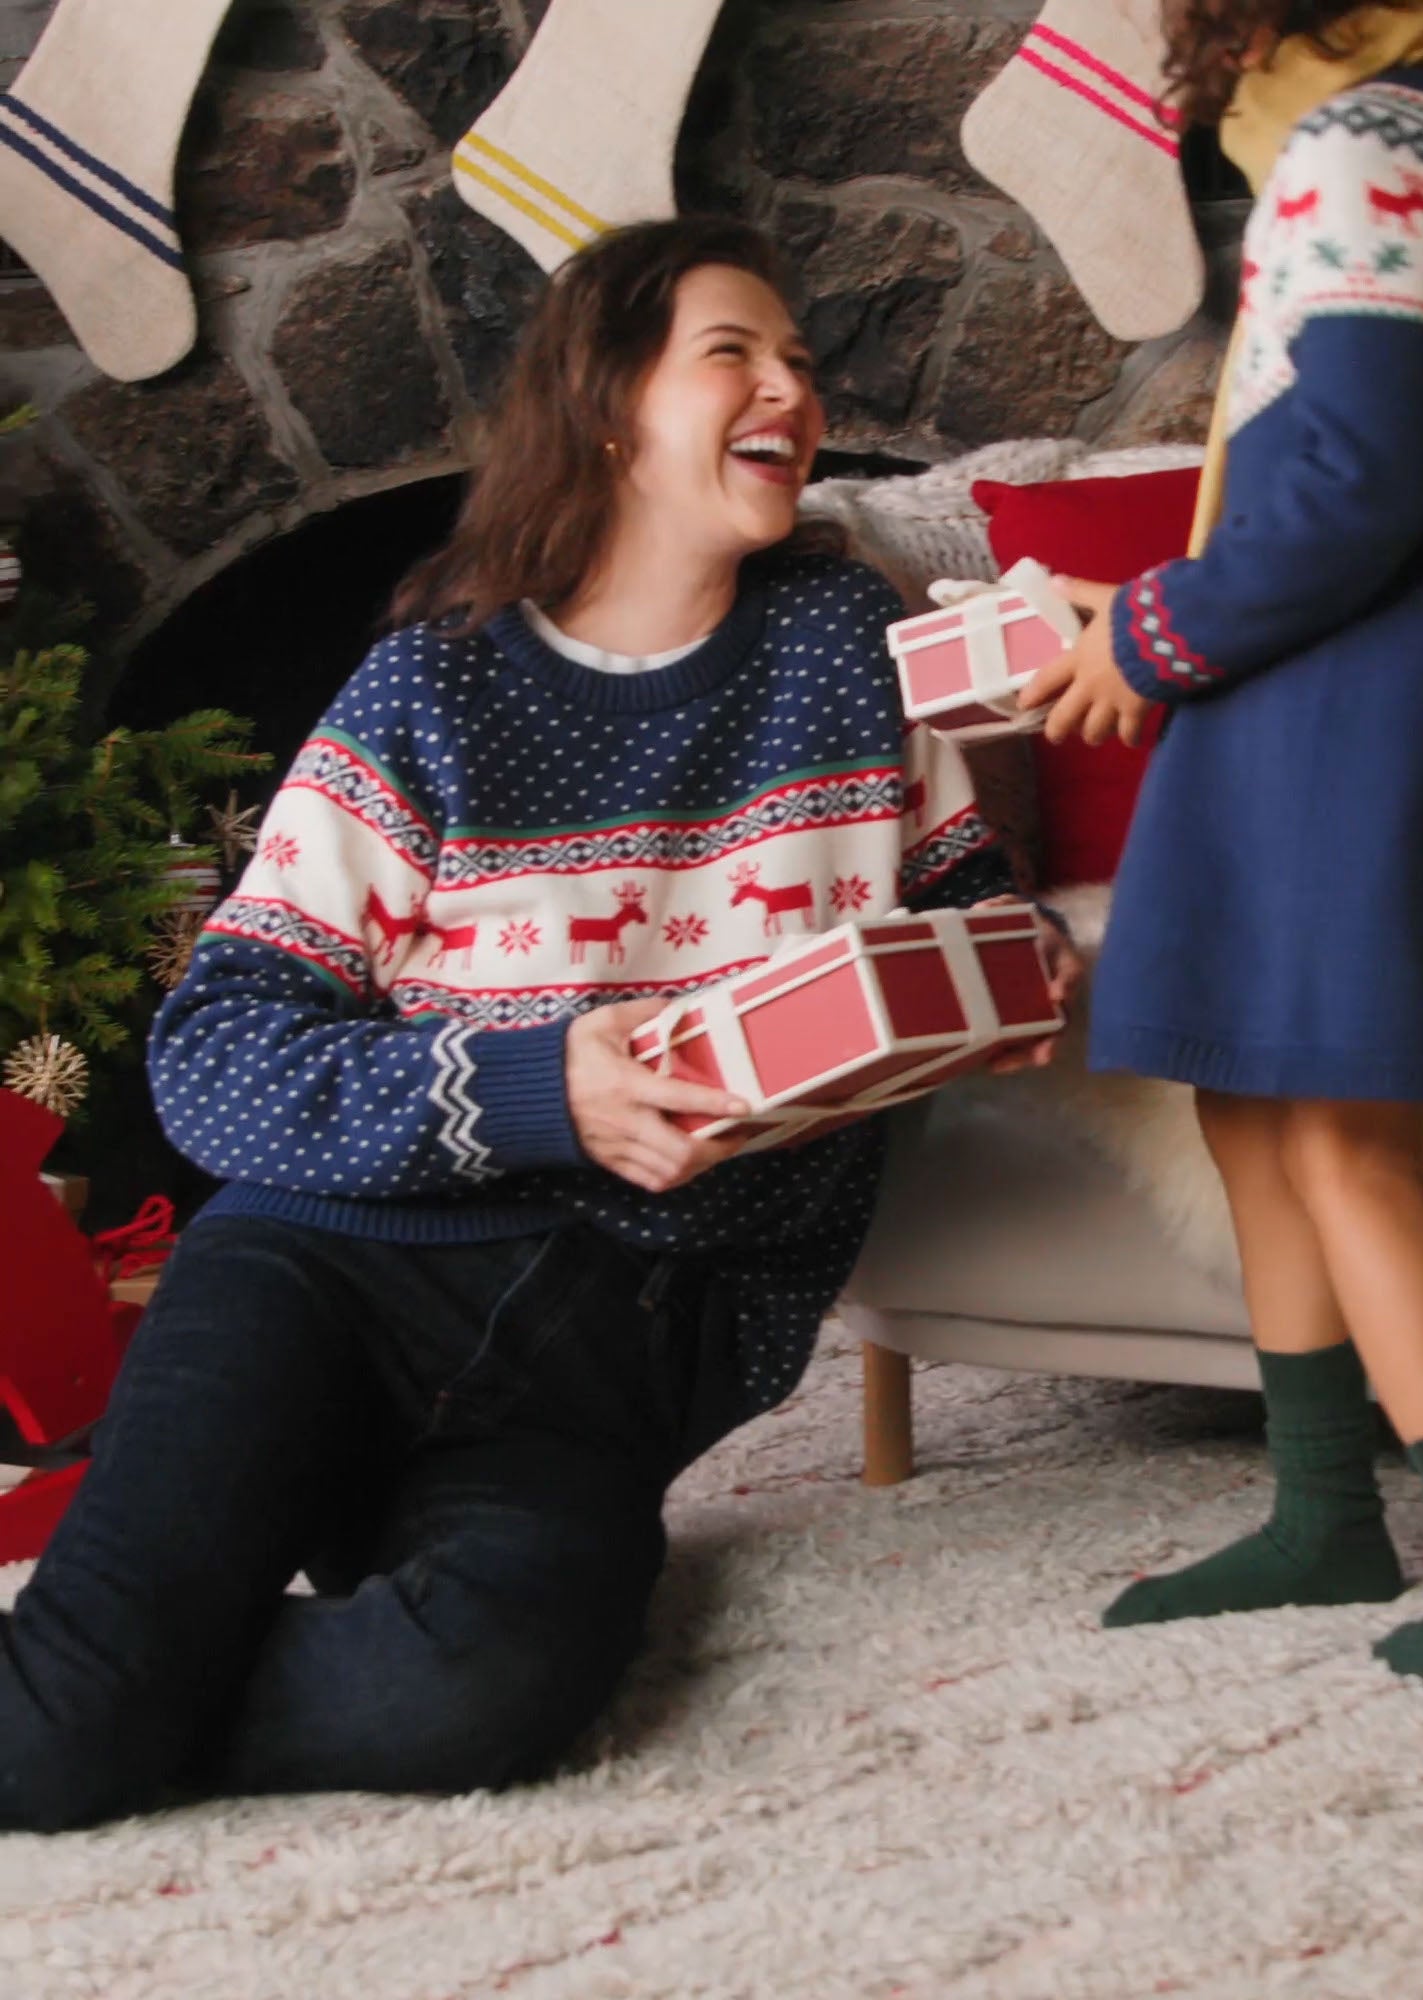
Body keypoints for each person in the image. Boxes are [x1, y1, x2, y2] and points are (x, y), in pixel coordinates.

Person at [0, 216, 1078, 1831]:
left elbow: (957, 902)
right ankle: (101, 1689)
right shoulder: (431, 691)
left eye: (799, 356)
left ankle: (137, 1676)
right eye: (735, 352)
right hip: (328, 1277)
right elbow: (213, 1049)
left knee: (482, 1699)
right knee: (52, 1746)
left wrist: (1019, 968)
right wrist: (531, 1089)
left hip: (619, 1354)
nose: (791, 382)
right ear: (603, 407)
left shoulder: (848, 654)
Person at [1020, 0, 1423, 1697]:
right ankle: (1322, 1511)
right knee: (1251, 1094)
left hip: (1376, 711)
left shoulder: (1361, 141)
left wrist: (1151, 632)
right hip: (1368, 694)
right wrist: (1139, 604)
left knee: (1343, 1135)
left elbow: (1356, 486)